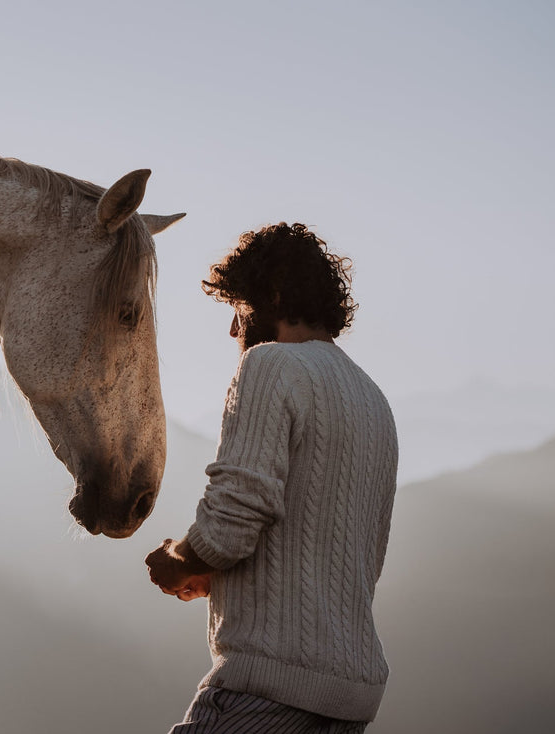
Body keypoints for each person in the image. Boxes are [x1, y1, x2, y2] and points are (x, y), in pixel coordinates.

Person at [145, 223, 398, 733]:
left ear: (274, 295)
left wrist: (180, 559)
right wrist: (220, 576)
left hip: (265, 693)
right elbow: (336, 548)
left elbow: (233, 520)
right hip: (347, 702)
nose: (234, 332)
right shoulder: (372, 400)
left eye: (238, 310)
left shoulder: (270, 365)